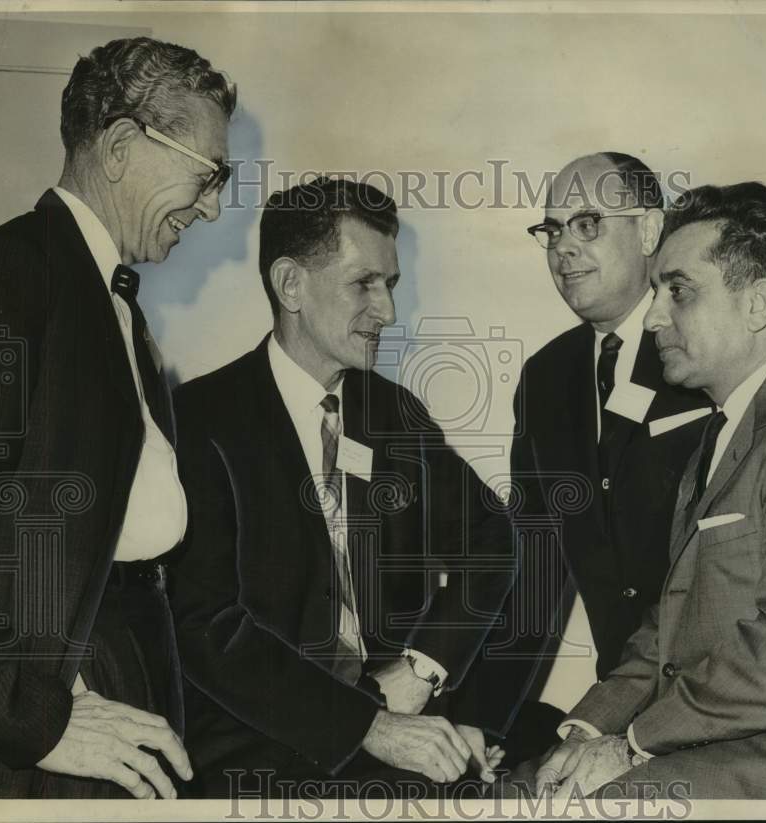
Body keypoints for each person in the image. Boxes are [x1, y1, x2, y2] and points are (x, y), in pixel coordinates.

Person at [449, 152, 766, 764]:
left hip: (762, 723)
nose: (563, 247)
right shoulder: (545, 378)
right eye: (552, 230)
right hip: (640, 693)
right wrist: (499, 724)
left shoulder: (742, 358)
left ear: (650, 231)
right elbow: (535, 555)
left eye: (588, 222)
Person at [169, 177, 515, 798]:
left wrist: (425, 669)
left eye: (390, 285)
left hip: (394, 724)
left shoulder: (395, 415)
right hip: (256, 746)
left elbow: (495, 539)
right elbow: (208, 629)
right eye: (365, 284)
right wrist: (367, 725)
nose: (387, 311)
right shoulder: (200, 421)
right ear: (290, 284)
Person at [0, 37, 236, 799]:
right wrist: (34, 718)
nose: (212, 205)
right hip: (50, 725)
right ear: (120, 146)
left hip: (125, 666)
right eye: (208, 174)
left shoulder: (110, 299)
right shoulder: (6, 273)